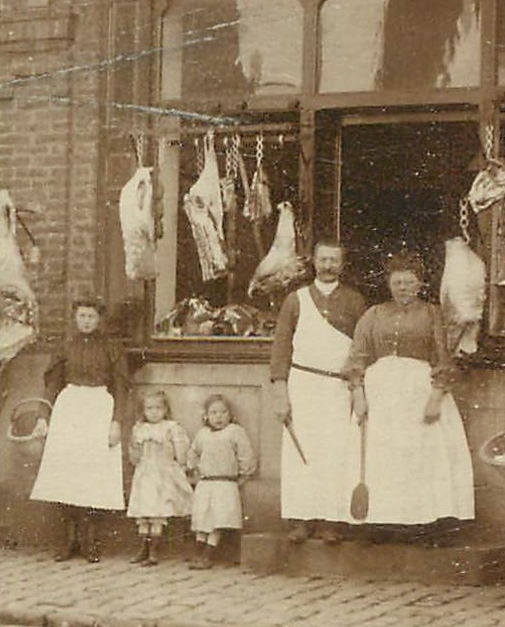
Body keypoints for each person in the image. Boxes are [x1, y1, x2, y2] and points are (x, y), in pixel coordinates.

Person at [346, 252, 475, 530]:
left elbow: (442, 357)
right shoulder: (374, 314)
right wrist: (358, 392)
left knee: (419, 454)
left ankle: (421, 522)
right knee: (384, 455)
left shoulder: (431, 314)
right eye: (397, 283)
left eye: (409, 282)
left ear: (420, 284)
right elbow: (358, 355)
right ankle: (382, 521)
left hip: (419, 390)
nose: (403, 288)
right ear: (389, 285)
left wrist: (437, 395)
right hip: (381, 393)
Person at [269, 240, 368, 544]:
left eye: (334, 260)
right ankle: (301, 519)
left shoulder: (354, 301)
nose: (327, 265)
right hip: (302, 385)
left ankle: (331, 520)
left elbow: (361, 349)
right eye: (323, 259)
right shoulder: (295, 300)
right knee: (301, 453)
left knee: (335, 452)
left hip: (338, 387)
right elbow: (282, 347)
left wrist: (357, 388)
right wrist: (280, 391)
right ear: (313, 261)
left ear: (342, 264)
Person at [29, 294, 130, 563]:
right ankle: (68, 539)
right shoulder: (66, 347)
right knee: (66, 473)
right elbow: (52, 385)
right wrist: (43, 417)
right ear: (75, 318)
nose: (86, 321)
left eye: (91, 316)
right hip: (69, 409)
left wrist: (117, 422)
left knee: (92, 474)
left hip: (98, 408)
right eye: (82, 316)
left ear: (100, 319)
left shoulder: (111, 347)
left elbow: (121, 387)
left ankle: (90, 539)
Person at [186, 393, 256, 569]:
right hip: (206, 483)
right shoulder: (202, 434)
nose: (218, 417)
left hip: (225, 484)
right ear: (206, 416)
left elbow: (245, 454)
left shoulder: (235, 432)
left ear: (230, 415)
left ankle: (208, 555)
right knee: (202, 519)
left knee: (219, 519)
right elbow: (193, 453)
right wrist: (192, 470)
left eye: (223, 412)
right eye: (214, 412)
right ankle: (198, 552)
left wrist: (244, 475)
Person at [125, 389, 193, 566]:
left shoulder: (171, 428)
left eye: (158, 408)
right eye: (149, 408)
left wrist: (180, 463)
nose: (154, 412)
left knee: (157, 511)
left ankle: (154, 550)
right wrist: (136, 450)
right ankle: (143, 548)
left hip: (162, 474)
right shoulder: (140, 429)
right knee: (143, 511)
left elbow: (181, 451)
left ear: (165, 410)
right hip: (145, 473)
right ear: (143, 411)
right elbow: (133, 455)